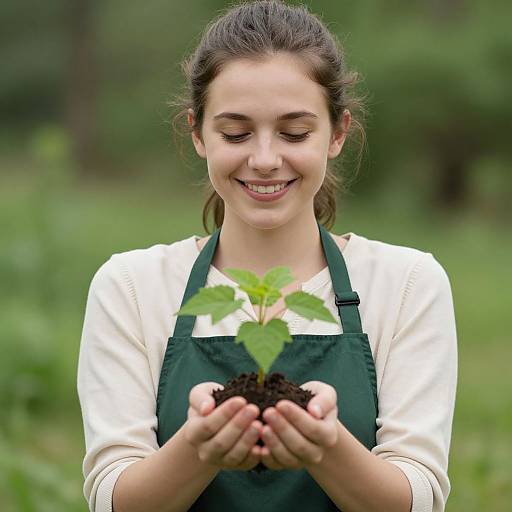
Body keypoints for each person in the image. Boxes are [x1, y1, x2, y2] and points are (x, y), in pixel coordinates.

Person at [77, 1, 458, 511]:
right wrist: (198, 448)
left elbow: (418, 498)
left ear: (338, 133)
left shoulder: (407, 283)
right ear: (197, 133)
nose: (263, 159)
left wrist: (328, 447)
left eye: (295, 133)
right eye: (235, 133)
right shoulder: (132, 286)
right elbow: (112, 498)